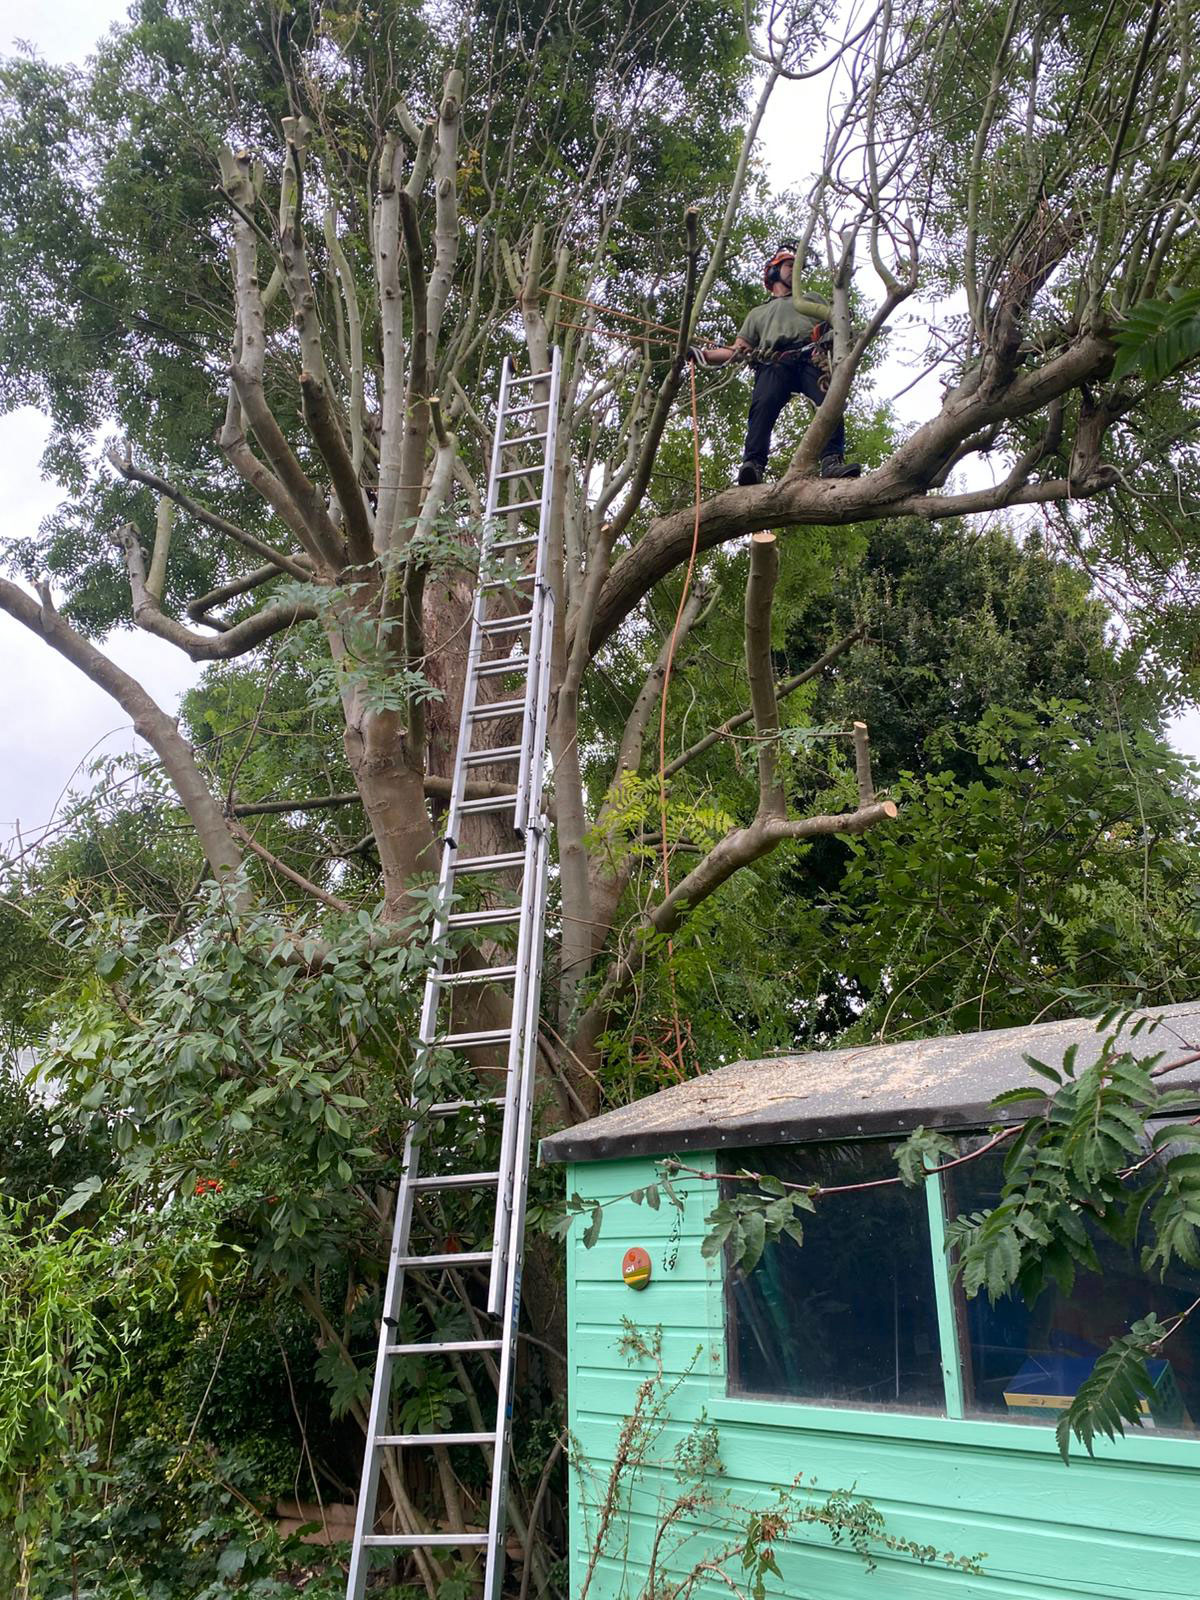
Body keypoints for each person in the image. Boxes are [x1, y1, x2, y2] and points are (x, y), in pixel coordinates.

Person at [692, 247, 862, 486]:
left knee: (829, 402)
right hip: (774, 361)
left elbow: (839, 326)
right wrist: (704, 355)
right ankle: (753, 464)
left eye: (796, 267)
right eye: (789, 266)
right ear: (772, 272)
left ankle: (831, 460)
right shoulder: (758, 313)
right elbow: (737, 349)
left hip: (810, 357)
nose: (794, 271)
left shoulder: (811, 300)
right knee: (762, 406)